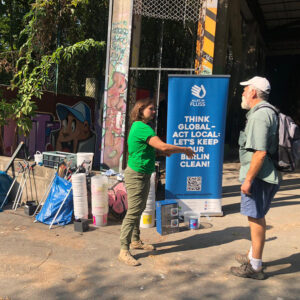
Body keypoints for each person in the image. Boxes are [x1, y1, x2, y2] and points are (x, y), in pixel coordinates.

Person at [118, 98, 195, 266]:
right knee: (133, 211)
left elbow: (145, 150)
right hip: (136, 175)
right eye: (151, 109)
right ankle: (124, 250)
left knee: (139, 208)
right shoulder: (141, 127)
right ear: (140, 110)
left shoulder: (141, 128)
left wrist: (160, 154)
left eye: (154, 109)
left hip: (143, 173)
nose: (154, 111)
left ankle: (135, 241)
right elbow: (164, 147)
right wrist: (184, 149)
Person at [230, 76, 280, 280]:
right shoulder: (266, 112)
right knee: (256, 217)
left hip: (258, 176)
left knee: (256, 219)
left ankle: (255, 266)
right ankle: (253, 256)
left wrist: (248, 179)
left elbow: (259, 153)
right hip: (264, 174)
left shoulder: (260, 116)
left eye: (245, 90)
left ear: (253, 92)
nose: (242, 93)